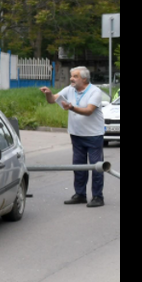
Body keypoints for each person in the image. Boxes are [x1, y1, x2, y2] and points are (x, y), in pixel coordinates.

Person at [40, 66, 106, 207]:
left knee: (96, 167)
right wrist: (48, 93)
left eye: (75, 76)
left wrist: (72, 108)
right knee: (78, 166)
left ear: (84, 78)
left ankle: (98, 197)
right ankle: (80, 195)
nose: (71, 78)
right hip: (76, 135)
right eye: (71, 76)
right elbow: (52, 100)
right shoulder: (69, 89)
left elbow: (89, 111)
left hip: (94, 135)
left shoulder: (95, 91)